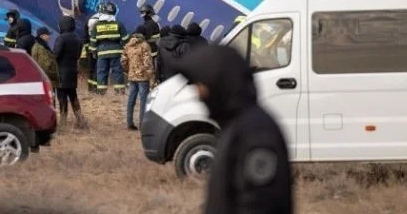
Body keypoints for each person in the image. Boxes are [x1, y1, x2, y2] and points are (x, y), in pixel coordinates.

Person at [172, 44, 292, 214]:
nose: (198, 93)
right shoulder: (237, 126)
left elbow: (259, 205)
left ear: (218, 82)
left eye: (201, 85)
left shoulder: (256, 133)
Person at [53, 15, 88, 129]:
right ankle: (80, 119)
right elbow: (78, 55)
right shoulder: (77, 38)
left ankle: (63, 121)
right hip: (73, 71)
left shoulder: (61, 38)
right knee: (73, 95)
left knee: (62, 97)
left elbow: (56, 55)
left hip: (61, 72)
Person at [88, 2, 129, 95]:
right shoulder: (119, 23)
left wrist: (93, 52)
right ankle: (119, 91)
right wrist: (123, 47)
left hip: (102, 52)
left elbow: (93, 41)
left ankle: (101, 91)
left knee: (102, 71)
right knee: (117, 71)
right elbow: (125, 39)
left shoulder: (96, 25)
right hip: (116, 51)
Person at [120, 25, 154, 130]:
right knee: (143, 101)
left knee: (131, 99)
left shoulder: (128, 45)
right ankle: (143, 124)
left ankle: (129, 123)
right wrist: (150, 76)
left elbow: (123, 61)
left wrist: (129, 70)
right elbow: (147, 63)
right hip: (142, 78)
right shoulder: (145, 45)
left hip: (131, 76)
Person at [30, 27, 60, 106]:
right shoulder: (40, 48)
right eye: (47, 35)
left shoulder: (41, 46)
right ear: (42, 36)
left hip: (47, 80)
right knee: (50, 104)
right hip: (48, 80)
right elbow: (45, 66)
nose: (49, 37)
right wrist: (54, 75)